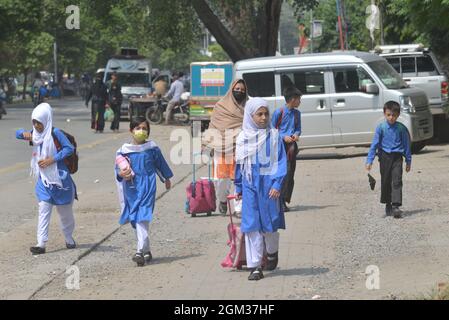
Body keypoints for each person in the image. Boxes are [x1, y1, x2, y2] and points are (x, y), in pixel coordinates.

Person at [234, 98, 287, 281]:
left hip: (269, 187)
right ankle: (255, 266)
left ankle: (272, 253)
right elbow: (240, 164)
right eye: (259, 114)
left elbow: (281, 161)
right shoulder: (242, 138)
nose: (264, 118)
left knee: (270, 225)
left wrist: (277, 184)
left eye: (266, 114)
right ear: (250, 116)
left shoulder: (274, 137)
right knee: (252, 226)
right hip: (250, 187)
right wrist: (239, 185)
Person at [15, 103, 77, 254]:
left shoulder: (55, 133)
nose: (36, 126)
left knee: (65, 214)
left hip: (60, 180)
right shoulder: (35, 135)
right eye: (34, 122)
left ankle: (69, 237)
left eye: (39, 122)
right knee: (43, 210)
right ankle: (41, 243)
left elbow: (69, 148)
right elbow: (17, 133)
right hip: (44, 181)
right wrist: (23, 133)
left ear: (46, 120)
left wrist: (52, 159)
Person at [115, 117, 174, 267]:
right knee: (135, 219)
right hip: (132, 188)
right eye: (137, 128)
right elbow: (118, 170)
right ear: (131, 130)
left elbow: (160, 165)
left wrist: (166, 178)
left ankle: (139, 251)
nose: (141, 131)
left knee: (143, 217)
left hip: (148, 185)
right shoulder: (123, 151)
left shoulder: (152, 148)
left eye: (144, 128)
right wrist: (122, 174)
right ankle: (146, 249)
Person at [203, 79, 248, 216]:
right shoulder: (220, 106)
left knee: (241, 178)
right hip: (221, 146)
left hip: (242, 147)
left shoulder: (248, 106)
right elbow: (213, 125)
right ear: (231, 89)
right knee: (221, 179)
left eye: (242, 90)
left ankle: (239, 208)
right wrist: (206, 144)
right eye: (237, 89)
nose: (239, 91)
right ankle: (222, 200)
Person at [365, 101, 412, 219]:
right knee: (386, 181)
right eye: (389, 115)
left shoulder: (401, 129)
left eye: (394, 115)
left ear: (398, 115)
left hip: (397, 158)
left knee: (396, 180)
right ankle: (388, 204)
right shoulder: (381, 128)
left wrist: (408, 161)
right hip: (384, 157)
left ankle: (396, 206)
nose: (391, 117)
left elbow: (406, 145)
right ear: (384, 114)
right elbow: (374, 145)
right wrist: (369, 160)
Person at [271, 87, 302, 212]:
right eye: (299, 99)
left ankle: (285, 199)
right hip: (280, 148)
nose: (300, 102)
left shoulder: (297, 114)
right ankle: (280, 201)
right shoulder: (279, 112)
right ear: (293, 99)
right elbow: (272, 130)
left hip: (292, 148)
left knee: (290, 173)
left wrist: (296, 134)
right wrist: (283, 137)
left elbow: (298, 128)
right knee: (282, 173)